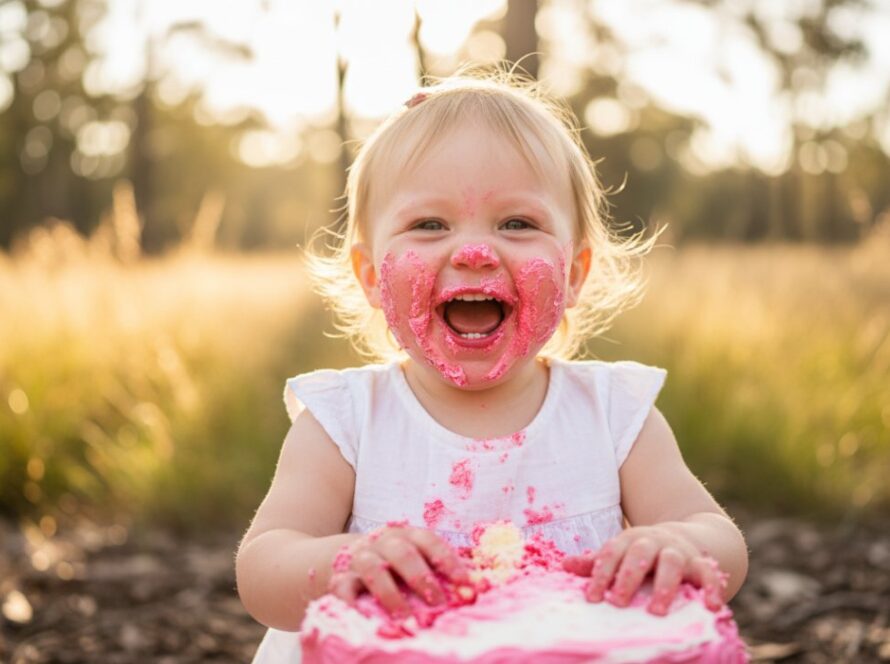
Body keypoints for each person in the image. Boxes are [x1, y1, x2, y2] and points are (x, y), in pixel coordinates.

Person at [235, 70, 748, 662]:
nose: (474, 252)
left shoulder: (611, 415)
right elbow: (263, 566)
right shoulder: (348, 422)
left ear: (574, 272)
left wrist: (680, 545)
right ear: (372, 276)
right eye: (429, 224)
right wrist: (339, 564)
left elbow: (721, 541)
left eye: (517, 223)